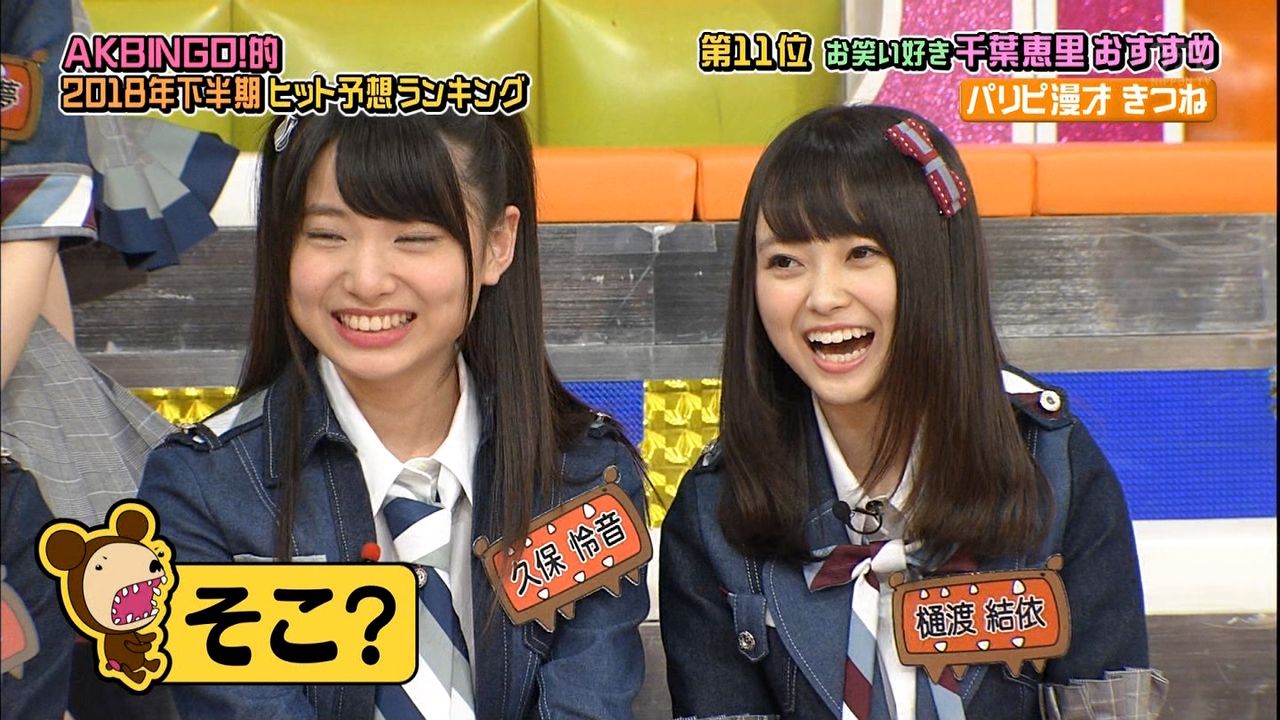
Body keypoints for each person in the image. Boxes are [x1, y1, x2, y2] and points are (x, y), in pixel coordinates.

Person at [138, 111, 650, 720]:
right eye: (327, 235)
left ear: (497, 244)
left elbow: (587, 702)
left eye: (413, 237)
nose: (367, 280)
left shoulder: (583, 478)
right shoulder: (203, 491)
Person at [659, 104, 1158, 720]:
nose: (823, 296)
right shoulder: (716, 513)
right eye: (785, 261)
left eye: (861, 253)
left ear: (934, 265)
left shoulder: (1054, 469)